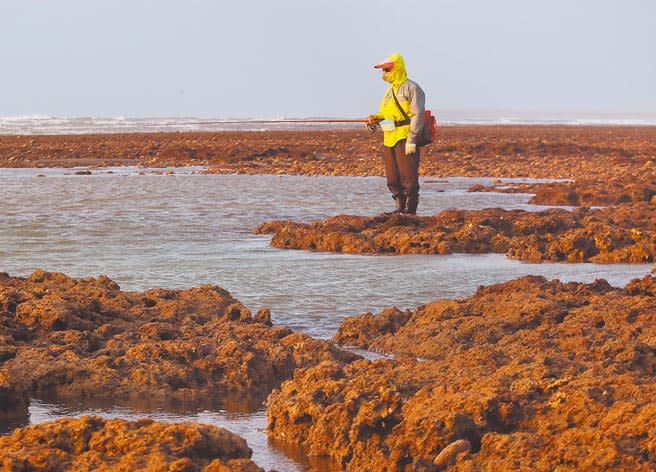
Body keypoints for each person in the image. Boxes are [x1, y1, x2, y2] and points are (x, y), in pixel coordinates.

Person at [366, 53, 425, 215]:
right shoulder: (388, 92)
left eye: (387, 69)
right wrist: (375, 118)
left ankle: (410, 211)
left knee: (408, 177)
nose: (384, 73)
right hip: (389, 138)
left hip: (405, 137)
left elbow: (418, 114)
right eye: (383, 70)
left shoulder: (411, 88)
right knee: (392, 178)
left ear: (396, 68)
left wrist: (412, 139)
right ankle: (399, 208)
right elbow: (386, 114)